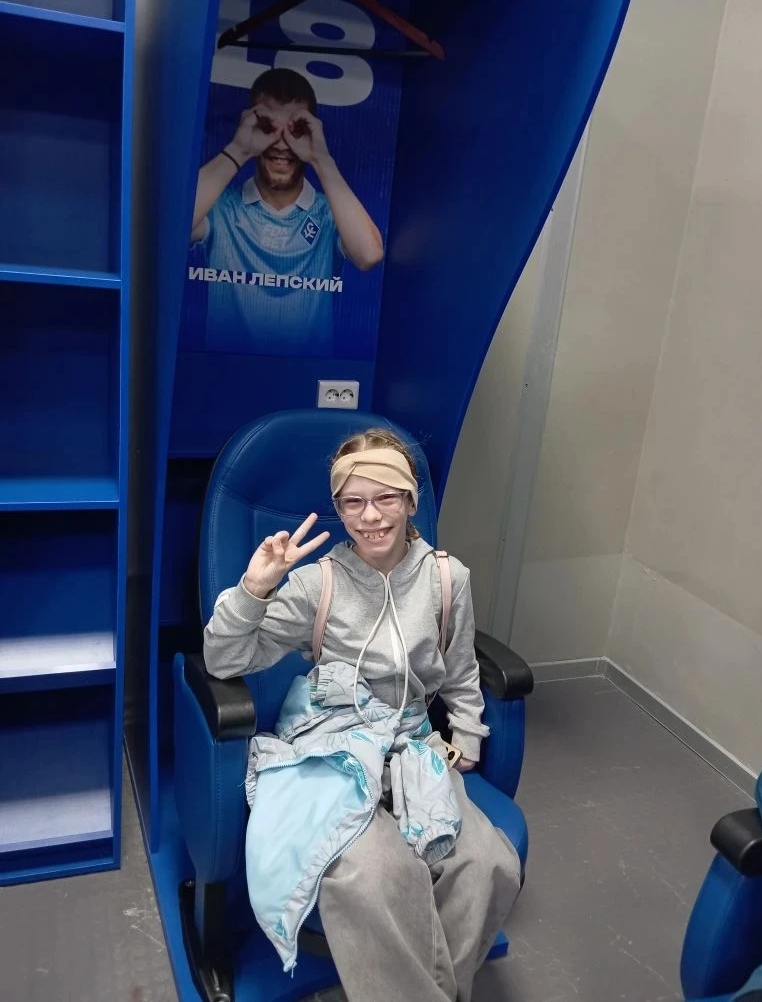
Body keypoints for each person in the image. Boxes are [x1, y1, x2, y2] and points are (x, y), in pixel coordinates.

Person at [203, 427, 522, 1002]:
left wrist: (468, 736)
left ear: (411, 500)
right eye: (353, 502)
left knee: (487, 863)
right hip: (333, 744)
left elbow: (459, 669)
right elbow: (223, 658)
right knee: (375, 875)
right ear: (339, 507)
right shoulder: (316, 584)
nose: (370, 516)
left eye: (386, 498)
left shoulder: (447, 579)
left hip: (413, 746)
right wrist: (254, 588)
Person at [190, 68, 383, 356]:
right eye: (267, 126)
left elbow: (369, 255)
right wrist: (240, 148)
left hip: (306, 377)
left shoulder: (329, 213)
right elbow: (169, 230)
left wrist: (320, 158)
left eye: (296, 130)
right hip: (224, 373)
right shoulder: (220, 207)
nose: (281, 144)